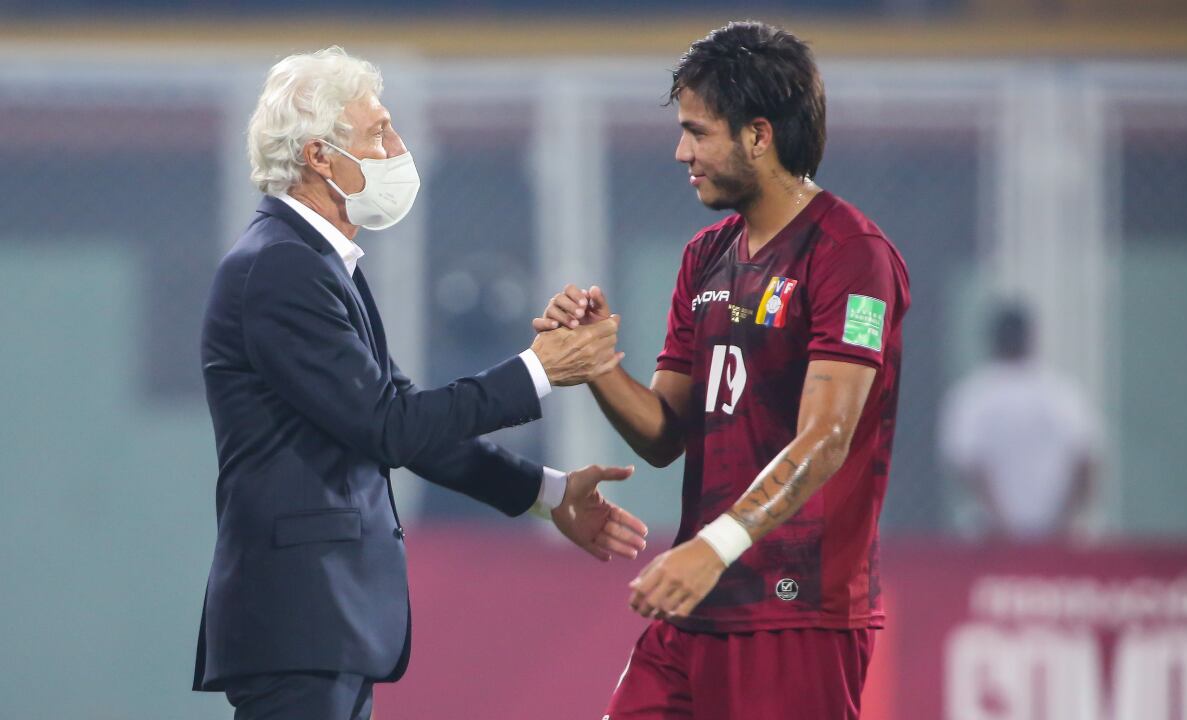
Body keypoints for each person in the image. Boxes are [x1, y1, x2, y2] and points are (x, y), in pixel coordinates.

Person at [192, 47, 649, 720]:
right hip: (300, 618)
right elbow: (391, 427)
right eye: (378, 133)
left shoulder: (317, 264)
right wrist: (539, 369)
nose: (397, 149)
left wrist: (546, 493)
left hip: (324, 626)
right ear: (319, 156)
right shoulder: (281, 268)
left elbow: (404, 429)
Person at [535, 21, 910, 719]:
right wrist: (596, 364)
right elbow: (663, 434)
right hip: (698, 605)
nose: (682, 152)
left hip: (796, 611)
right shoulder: (705, 257)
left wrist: (714, 548)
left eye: (698, 132)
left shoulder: (853, 257)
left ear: (759, 135)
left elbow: (826, 438)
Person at [939, 303, 1098, 541]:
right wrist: (1062, 521)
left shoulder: (973, 395)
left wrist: (1002, 522)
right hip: (1047, 534)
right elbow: (1085, 462)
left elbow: (968, 466)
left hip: (995, 534)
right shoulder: (1061, 392)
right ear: (1032, 337)